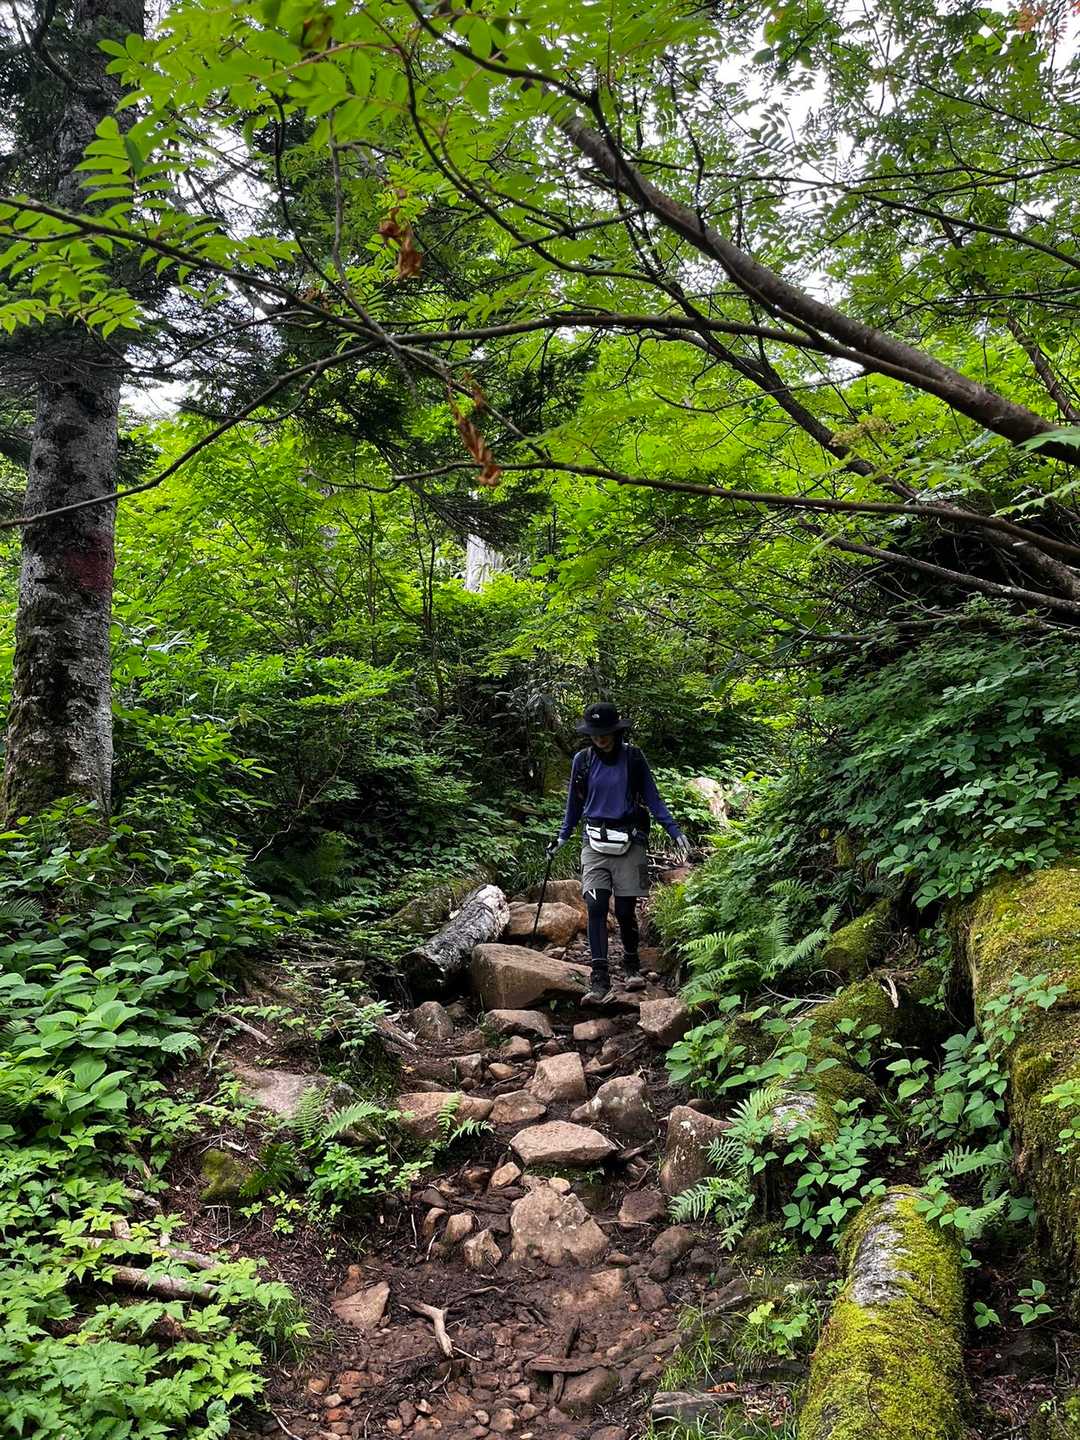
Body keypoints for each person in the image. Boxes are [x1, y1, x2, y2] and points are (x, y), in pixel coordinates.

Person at [549, 701, 690, 1004]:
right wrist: (562, 836)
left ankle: (631, 963)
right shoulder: (582, 761)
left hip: (630, 840)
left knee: (625, 910)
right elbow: (574, 804)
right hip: (594, 842)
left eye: (605, 732)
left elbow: (652, 798)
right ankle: (599, 979)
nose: (600, 738)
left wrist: (674, 830)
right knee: (596, 905)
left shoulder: (633, 758)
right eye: (595, 733)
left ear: (616, 731)